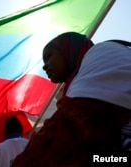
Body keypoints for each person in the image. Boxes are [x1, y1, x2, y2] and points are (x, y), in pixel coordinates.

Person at [11, 32, 131, 166]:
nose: (44, 66)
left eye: (49, 56)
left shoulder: (102, 52)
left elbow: (68, 129)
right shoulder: (80, 79)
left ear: (68, 50)